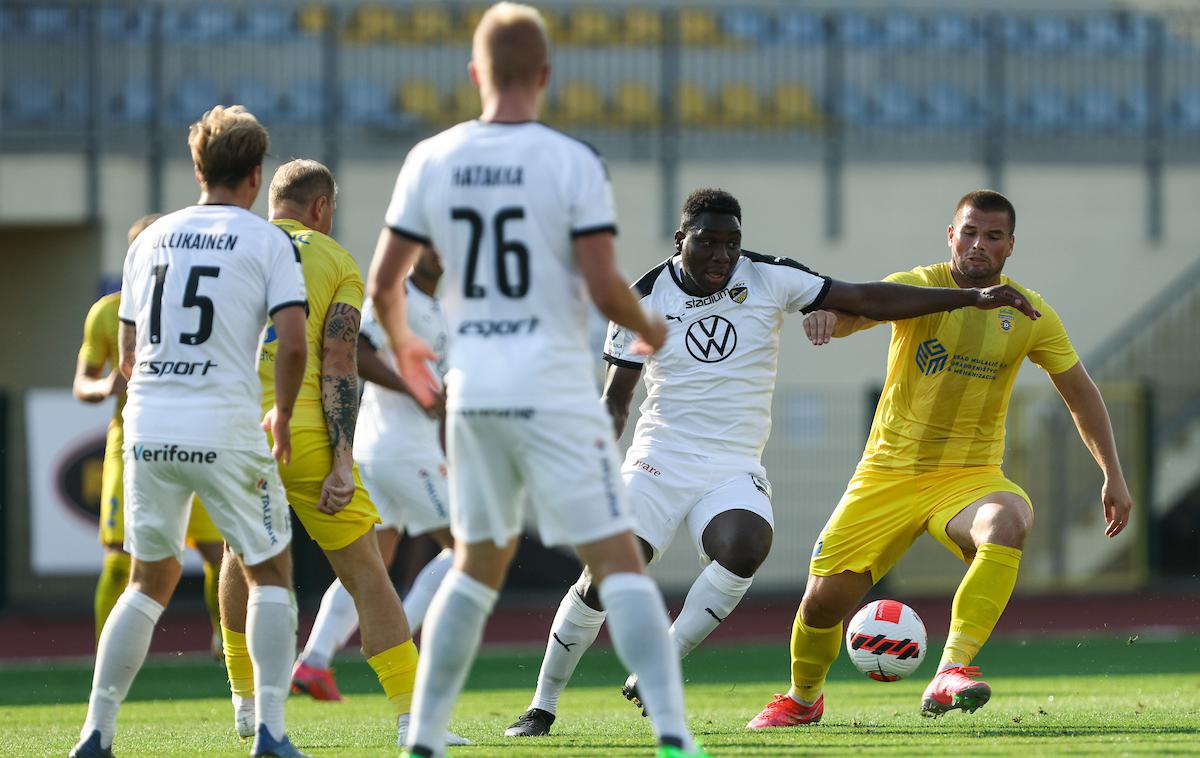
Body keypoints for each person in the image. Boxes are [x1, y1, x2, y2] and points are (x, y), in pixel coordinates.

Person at [504, 187, 1043, 737]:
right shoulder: (642, 302)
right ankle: (542, 705)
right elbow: (617, 401)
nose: (721, 257)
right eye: (708, 243)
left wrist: (970, 300)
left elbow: (865, 298)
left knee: (746, 546)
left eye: (732, 244)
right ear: (680, 240)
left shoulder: (767, 277)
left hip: (733, 464)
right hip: (659, 459)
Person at [368, 4, 707, 757]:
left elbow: (384, 280)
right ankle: (676, 736)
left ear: (475, 74)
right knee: (616, 557)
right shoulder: (570, 161)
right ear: (546, 76)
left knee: (475, 564)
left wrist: (404, 345)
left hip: (476, 390)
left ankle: (421, 736)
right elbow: (605, 282)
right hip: (553, 388)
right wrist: (651, 329)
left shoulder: (432, 158)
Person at [747, 189, 1135, 729]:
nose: (979, 245)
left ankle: (953, 669)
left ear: (1010, 246)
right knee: (821, 606)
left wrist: (1112, 473)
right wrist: (827, 319)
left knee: (1009, 519)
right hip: (886, 473)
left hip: (968, 477)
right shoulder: (920, 286)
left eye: (993, 236)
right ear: (951, 236)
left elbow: (1080, 391)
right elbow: (860, 308)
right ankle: (803, 697)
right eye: (970, 232)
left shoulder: (1031, 313)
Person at [71, 105, 309, 758]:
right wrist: (283, 415)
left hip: (148, 427)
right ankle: (272, 733)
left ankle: (96, 733)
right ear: (257, 175)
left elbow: (126, 355)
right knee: (270, 574)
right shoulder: (268, 241)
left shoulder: (150, 240)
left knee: (149, 580)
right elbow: (292, 346)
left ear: (197, 167)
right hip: (226, 425)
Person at [215, 159, 467, 749]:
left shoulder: (230, 243)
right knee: (369, 575)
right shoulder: (337, 261)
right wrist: (339, 457)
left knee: (239, 553)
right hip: (306, 432)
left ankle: (246, 701)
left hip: (232, 426)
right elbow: (339, 360)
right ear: (322, 207)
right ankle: (412, 717)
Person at [291, 246, 454, 702]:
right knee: (474, 551)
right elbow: (358, 347)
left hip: (383, 450)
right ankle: (402, 640)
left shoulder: (437, 306)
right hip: (402, 453)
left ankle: (314, 662)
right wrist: (415, 388)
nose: (440, 251)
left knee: (371, 562)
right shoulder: (397, 296)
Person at [74, 214, 227, 658]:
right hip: (133, 441)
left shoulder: (200, 306)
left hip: (198, 437)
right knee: (121, 558)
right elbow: (83, 380)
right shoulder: (108, 313)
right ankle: (106, 654)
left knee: (219, 552)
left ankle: (224, 644)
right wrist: (105, 387)